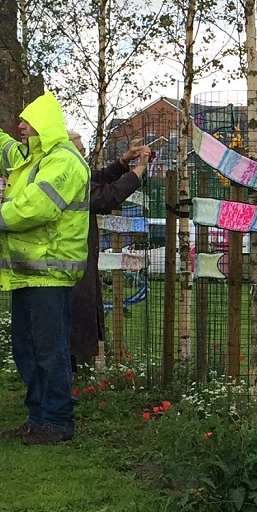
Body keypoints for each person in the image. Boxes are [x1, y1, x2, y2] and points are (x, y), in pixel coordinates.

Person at [0, 82, 91, 444]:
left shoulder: (64, 162)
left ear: (43, 124)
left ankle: (56, 422)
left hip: (49, 275)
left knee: (49, 351)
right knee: (28, 350)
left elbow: (36, 208)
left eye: (26, 122)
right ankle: (39, 418)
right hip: (29, 274)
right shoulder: (33, 157)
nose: (20, 128)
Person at [70, 137, 152, 374]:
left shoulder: (71, 171)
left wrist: (122, 161)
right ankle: (65, 386)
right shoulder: (70, 177)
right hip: (72, 262)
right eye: (81, 149)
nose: (84, 154)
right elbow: (106, 195)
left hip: (74, 260)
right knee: (72, 325)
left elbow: (98, 179)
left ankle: (70, 379)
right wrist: (139, 169)